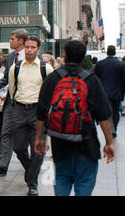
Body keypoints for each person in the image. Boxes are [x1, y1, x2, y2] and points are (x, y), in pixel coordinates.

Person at [35, 40, 115, 196]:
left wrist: (40, 138)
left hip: (60, 143)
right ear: (83, 57)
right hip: (86, 144)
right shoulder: (91, 80)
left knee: (62, 180)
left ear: (64, 55)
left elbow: (41, 112)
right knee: (84, 185)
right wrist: (109, 142)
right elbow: (104, 114)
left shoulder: (53, 78)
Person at [7, 35, 54, 196]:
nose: (29, 50)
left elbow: (51, 91)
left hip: (38, 112)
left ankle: (32, 184)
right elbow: (12, 89)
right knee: (18, 147)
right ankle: (30, 170)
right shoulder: (16, 68)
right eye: (27, 47)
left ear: (38, 49)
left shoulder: (45, 68)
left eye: (32, 47)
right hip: (19, 109)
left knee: (38, 150)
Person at [0, 28, 27, 176]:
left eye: (12, 39)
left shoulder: (30, 57)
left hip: (26, 103)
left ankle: (30, 165)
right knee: (5, 133)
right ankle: (2, 165)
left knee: (23, 138)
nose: (10, 41)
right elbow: (6, 78)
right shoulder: (10, 57)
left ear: (20, 41)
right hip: (10, 103)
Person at [94, 45, 125, 138]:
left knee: (107, 112)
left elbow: (96, 79)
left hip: (104, 92)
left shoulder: (100, 64)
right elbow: (123, 79)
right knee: (115, 112)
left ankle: (111, 129)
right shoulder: (121, 64)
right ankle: (113, 128)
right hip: (117, 92)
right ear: (115, 52)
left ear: (107, 52)